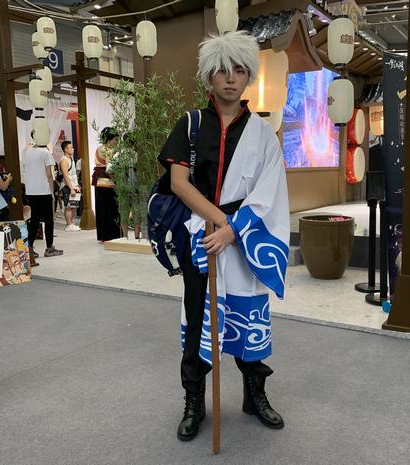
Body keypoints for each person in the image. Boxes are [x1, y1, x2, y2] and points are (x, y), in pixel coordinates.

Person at [158, 31, 290, 441]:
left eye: (239, 70)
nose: (230, 78)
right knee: (199, 317)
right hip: (200, 237)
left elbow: (268, 192)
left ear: (249, 75)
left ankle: (255, 393)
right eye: (221, 70)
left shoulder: (263, 134)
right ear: (208, 76)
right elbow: (178, 183)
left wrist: (232, 230)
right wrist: (218, 222)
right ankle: (194, 401)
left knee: (247, 315)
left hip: (243, 238)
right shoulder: (191, 124)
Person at [23, 132, 63, 264]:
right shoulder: (45, 153)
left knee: (34, 220)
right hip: (44, 190)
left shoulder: (28, 152)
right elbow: (49, 175)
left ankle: (29, 247)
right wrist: (51, 192)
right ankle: (49, 247)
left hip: (31, 191)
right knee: (48, 219)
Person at [92, 128, 121, 242]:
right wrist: (116, 178)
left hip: (99, 183)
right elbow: (109, 169)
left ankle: (103, 235)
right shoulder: (109, 150)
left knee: (101, 210)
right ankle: (111, 235)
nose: (116, 142)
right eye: (115, 139)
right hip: (108, 183)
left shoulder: (99, 148)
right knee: (110, 210)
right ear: (109, 139)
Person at [59, 141, 81, 232]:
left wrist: (77, 185)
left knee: (73, 206)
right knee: (68, 206)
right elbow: (65, 175)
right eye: (71, 147)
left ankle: (71, 223)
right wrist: (71, 188)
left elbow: (73, 174)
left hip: (74, 185)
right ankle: (69, 224)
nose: (73, 149)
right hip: (67, 186)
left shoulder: (70, 159)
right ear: (65, 149)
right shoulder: (64, 160)